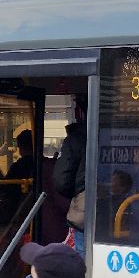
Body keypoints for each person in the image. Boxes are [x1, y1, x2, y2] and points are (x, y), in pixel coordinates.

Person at [54, 97, 88, 256]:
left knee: (84, 267)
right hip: (122, 214)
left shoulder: (76, 139)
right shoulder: (117, 134)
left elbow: (62, 181)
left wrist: (77, 192)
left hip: (85, 215)